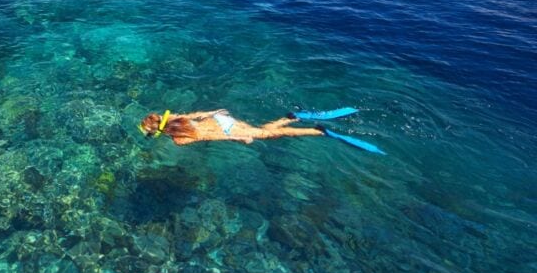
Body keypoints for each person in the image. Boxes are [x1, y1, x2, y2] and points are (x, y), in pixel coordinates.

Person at [137, 107, 386, 153]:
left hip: (226, 131)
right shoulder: (177, 117)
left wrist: (239, 138)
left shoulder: (180, 140)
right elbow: (198, 116)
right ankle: (290, 117)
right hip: (224, 120)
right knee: (267, 130)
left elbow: (209, 136)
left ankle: (319, 131)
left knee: (273, 135)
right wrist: (215, 112)